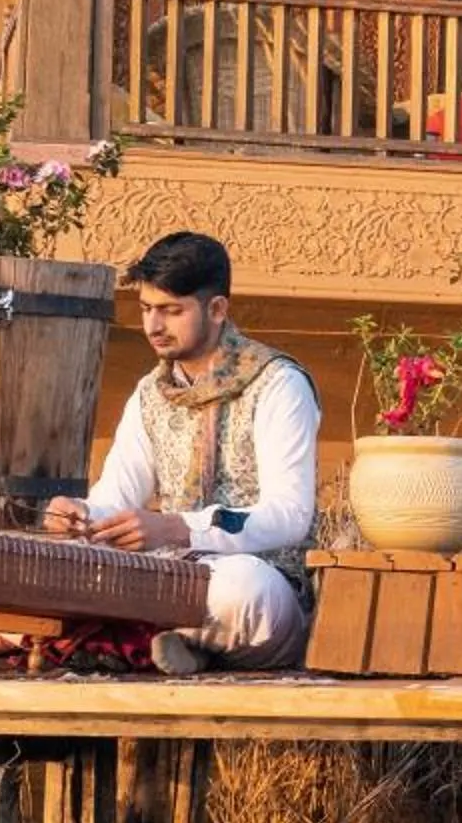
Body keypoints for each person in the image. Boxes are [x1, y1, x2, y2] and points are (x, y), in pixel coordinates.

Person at [44, 232, 318, 673]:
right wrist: (82, 516)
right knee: (60, 566)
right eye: (146, 309)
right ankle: (180, 645)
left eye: (172, 311)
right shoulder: (150, 393)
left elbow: (289, 516)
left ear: (217, 310)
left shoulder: (278, 384)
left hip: (258, 579)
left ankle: (133, 640)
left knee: (242, 590)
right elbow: (117, 494)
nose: (153, 326)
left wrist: (181, 529)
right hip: (167, 573)